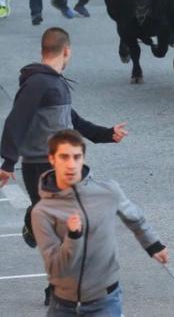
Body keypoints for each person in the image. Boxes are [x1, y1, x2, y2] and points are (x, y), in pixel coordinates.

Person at [0, 27, 128, 253]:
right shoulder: (39, 83)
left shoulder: (54, 82)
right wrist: (8, 162)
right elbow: (16, 120)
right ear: (67, 51)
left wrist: (107, 134)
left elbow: (73, 120)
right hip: (42, 166)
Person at [33, 129, 168, 315]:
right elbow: (56, 269)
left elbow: (135, 217)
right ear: (52, 159)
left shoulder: (108, 192)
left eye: (76, 157)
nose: (71, 165)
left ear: (83, 159)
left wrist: (153, 245)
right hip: (63, 305)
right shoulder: (43, 211)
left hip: (105, 300)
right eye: (64, 157)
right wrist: (73, 237)